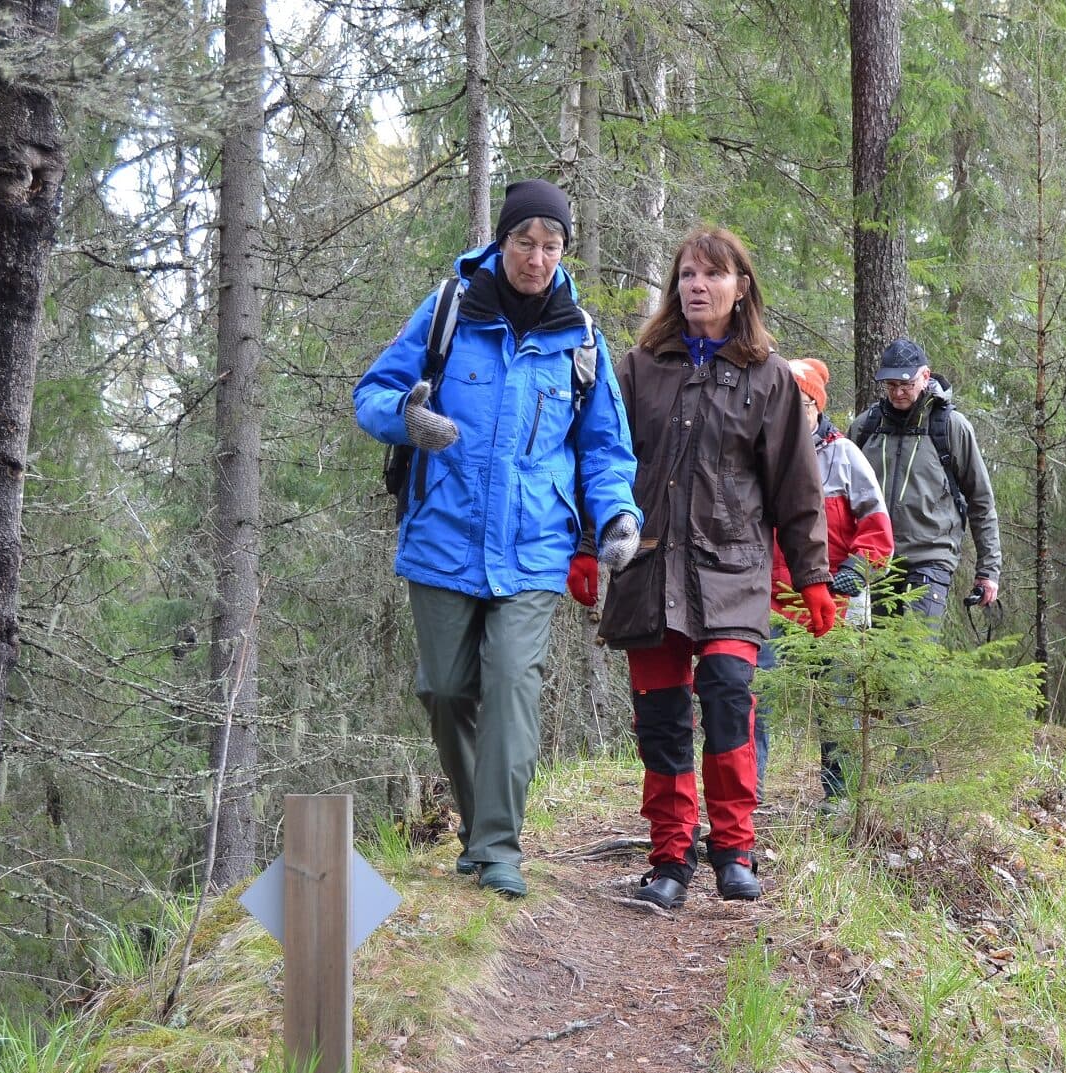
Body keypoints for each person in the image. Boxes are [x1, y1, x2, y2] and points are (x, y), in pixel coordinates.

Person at [354, 179, 642, 898]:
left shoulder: (581, 341)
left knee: (513, 682)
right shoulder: (448, 311)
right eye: (524, 242)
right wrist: (407, 418)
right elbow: (372, 393)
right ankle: (478, 826)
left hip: (534, 545)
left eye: (551, 246)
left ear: (563, 251)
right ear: (501, 241)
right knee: (446, 690)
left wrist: (617, 516)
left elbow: (605, 448)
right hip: (443, 534)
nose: (536, 258)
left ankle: (497, 849)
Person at [598, 226, 835, 909]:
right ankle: (670, 859)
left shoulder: (770, 376)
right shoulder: (638, 369)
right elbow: (602, 462)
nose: (697, 286)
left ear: (741, 286)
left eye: (712, 274)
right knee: (662, 717)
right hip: (648, 568)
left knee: (729, 696)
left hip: (732, 569)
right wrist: (588, 545)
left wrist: (812, 576)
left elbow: (796, 486)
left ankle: (734, 849)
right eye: (687, 275)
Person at [753, 357, 894, 804]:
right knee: (752, 696)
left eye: (802, 403)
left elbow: (878, 530)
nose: (793, 413)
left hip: (834, 599)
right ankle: (745, 795)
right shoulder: (758, 455)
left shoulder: (845, 456)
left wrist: (856, 570)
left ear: (818, 406)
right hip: (768, 601)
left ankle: (840, 799)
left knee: (838, 702)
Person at [848, 338, 1001, 626]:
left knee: (914, 646)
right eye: (891, 385)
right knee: (877, 650)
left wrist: (988, 571)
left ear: (925, 376)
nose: (898, 392)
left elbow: (980, 500)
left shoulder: (951, 427)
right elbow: (843, 500)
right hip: (875, 561)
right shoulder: (866, 427)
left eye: (906, 384)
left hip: (931, 558)